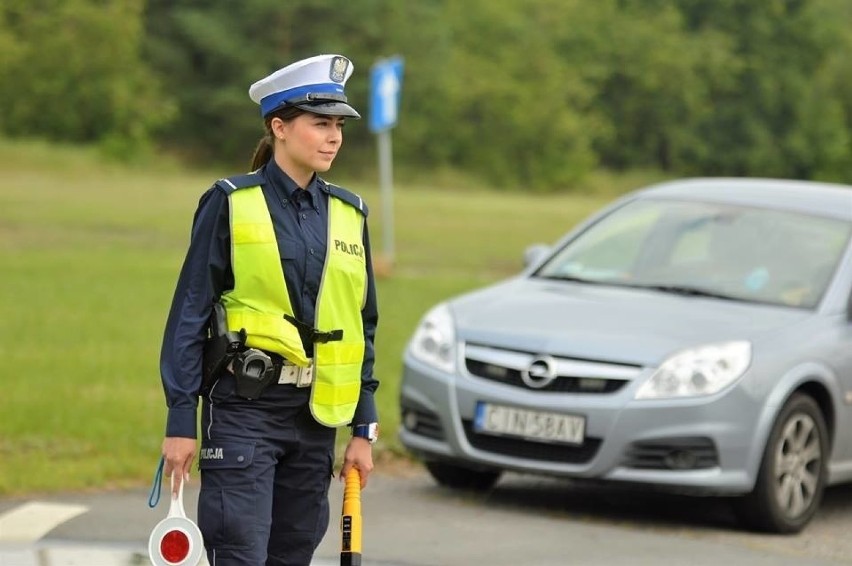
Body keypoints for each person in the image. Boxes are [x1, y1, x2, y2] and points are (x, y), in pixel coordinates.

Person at [158, 53, 380, 566]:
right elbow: (190, 310)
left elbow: (360, 326)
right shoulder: (230, 201)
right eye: (320, 123)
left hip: (317, 420)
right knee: (240, 553)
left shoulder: (351, 212)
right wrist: (179, 419)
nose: (334, 137)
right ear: (279, 126)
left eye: (339, 125)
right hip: (243, 411)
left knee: (292, 555)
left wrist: (363, 427)